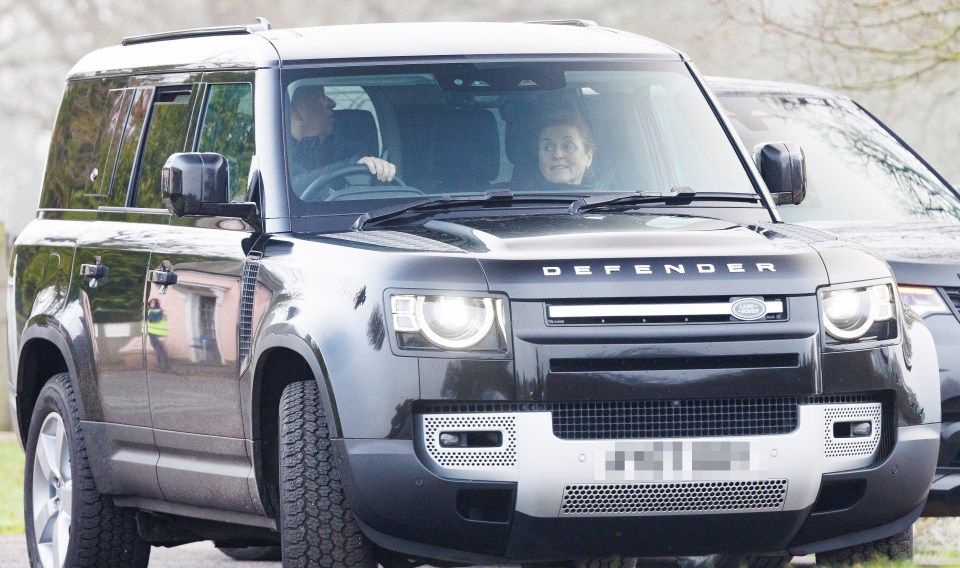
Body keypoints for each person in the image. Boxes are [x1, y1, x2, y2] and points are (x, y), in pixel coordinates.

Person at [288, 84, 396, 182]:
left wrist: (371, 165)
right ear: (294, 110)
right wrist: (350, 165)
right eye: (319, 96)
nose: (332, 103)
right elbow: (293, 184)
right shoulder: (276, 157)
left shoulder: (348, 150)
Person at [536, 111, 595, 185]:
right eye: (548, 148)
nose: (557, 155)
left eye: (568, 146)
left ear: (588, 157)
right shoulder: (522, 194)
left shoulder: (604, 195)